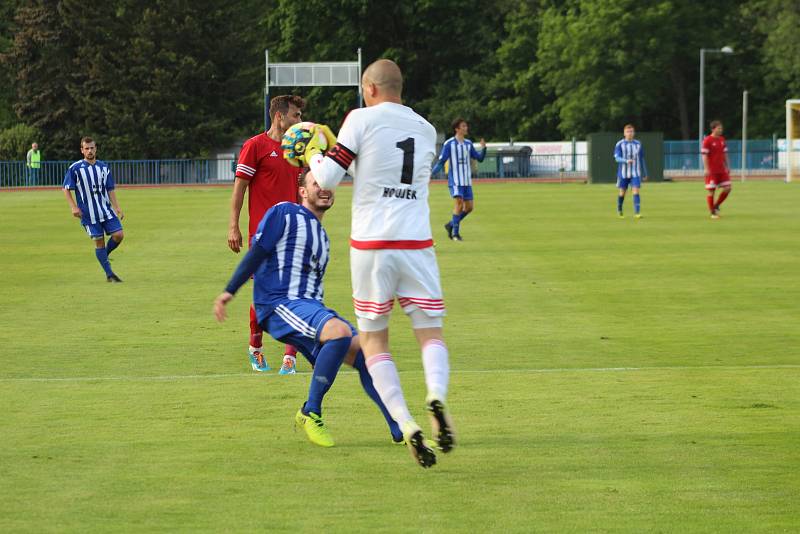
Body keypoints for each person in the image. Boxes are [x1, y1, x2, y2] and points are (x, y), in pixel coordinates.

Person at [303, 59, 455, 469]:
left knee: (374, 342)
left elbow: (329, 178)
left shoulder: (360, 119)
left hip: (372, 244)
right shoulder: (426, 129)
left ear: (368, 88)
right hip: (416, 241)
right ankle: (436, 395)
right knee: (430, 333)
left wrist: (314, 151)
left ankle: (406, 423)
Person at [214, 169, 403, 447]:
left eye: (328, 184)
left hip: (308, 307)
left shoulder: (322, 238)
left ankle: (400, 427)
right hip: (278, 302)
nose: (324, 188)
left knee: (365, 352)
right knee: (338, 332)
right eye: (317, 183)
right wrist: (230, 290)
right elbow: (258, 251)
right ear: (302, 191)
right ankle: (310, 411)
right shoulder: (285, 212)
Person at [228, 95, 305, 373]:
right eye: (295, 115)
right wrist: (233, 225)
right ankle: (255, 348)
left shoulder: (298, 147)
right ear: (279, 116)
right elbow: (240, 188)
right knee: (264, 296)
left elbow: (303, 187)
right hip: (262, 235)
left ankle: (290, 356)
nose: (299, 120)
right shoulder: (255, 146)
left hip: (294, 232)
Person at [62, 137, 124, 282]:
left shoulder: (103, 167)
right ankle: (110, 274)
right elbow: (66, 188)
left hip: (105, 210)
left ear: (96, 149)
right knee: (99, 242)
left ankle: (103, 256)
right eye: (87, 148)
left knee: (119, 235)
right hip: (88, 214)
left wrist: (117, 207)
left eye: (92, 148)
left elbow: (110, 188)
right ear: (82, 150)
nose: (90, 151)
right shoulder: (75, 168)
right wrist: (73, 207)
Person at [432, 118, 486, 240]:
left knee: (469, 208)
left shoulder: (468, 144)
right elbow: (441, 162)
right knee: (459, 204)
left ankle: (451, 224)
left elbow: (479, 158)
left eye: (466, 126)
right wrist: (431, 174)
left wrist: (484, 149)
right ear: (457, 129)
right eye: (463, 126)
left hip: (467, 181)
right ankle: (456, 234)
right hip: (455, 181)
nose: (466, 128)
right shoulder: (449, 144)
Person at [613, 124, 648, 218]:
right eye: (628, 131)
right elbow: (617, 158)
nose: (630, 133)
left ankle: (637, 213)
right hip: (623, 173)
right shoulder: (619, 144)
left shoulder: (638, 144)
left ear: (634, 133)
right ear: (624, 133)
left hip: (635, 173)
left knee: (636, 191)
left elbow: (641, 159)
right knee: (622, 192)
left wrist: (645, 173)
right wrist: (626, 161)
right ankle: (619, 209)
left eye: (631, 131)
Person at [702, 120, 731, 219]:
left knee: (728, 188)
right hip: (712, 170)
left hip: (721, 170)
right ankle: (712, 213)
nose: (721, 130)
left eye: (721, 128)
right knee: (711, 191)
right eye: (719, 128)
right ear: (713, 129)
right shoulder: (707, 140)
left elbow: (725, 154)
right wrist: (706, 169)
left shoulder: (722, 139)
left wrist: (728, 166)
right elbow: (704, 155)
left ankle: (717, 205)